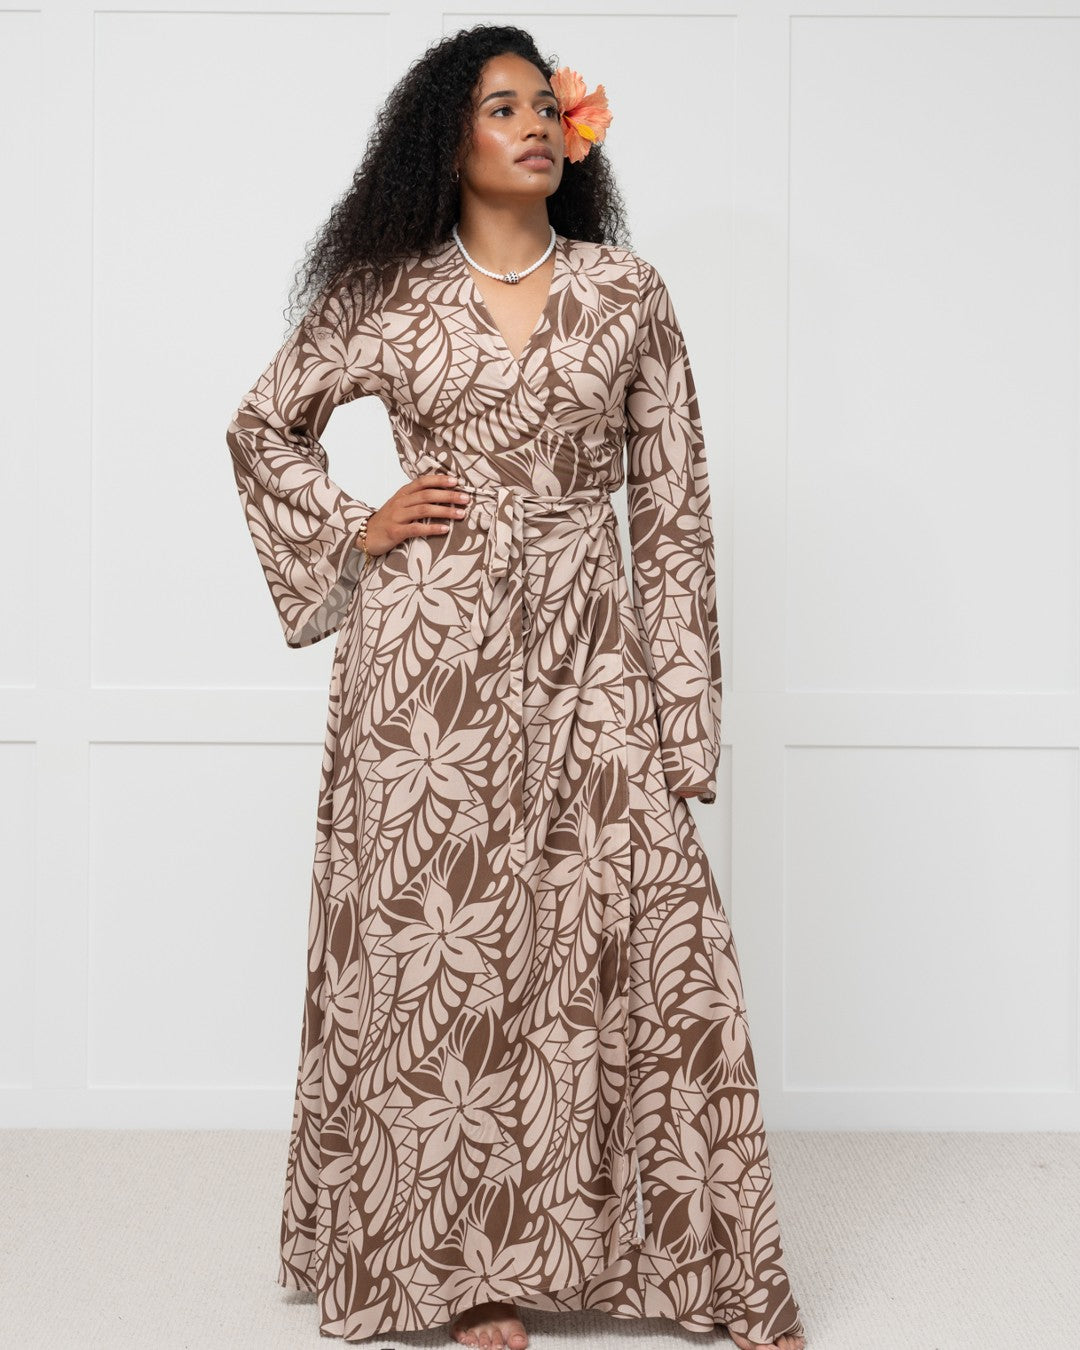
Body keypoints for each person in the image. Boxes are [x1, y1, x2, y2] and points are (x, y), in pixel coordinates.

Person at [224, 23, 807, 1350]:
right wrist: (358, 524)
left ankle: (716, 1269)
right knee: (450, 952)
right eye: (505, 107)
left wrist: (680, 715)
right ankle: (461, 1274)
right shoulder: (384, 293)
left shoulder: (627, 294)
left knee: (663, 930)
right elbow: (264, 426)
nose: (538, 125)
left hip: (588, 636)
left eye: (550, 107)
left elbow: (675, 514)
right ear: (452, 139)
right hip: (427, 662)